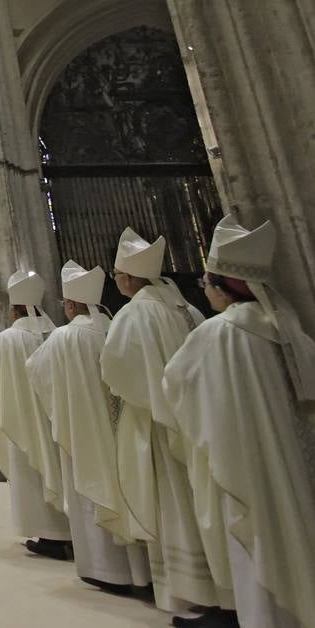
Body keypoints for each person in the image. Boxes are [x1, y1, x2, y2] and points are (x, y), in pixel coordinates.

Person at [163, 216, 315, 628]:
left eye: (207, 283)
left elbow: (177, 383)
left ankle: (255, 616)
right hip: (295, 459)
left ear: (224, 286)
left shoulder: (221, 333)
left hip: (244, 455)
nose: (206, 291)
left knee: (250, 533)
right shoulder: (290, 328)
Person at [102, 227, 230, 618]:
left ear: (127, 277)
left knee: (174, 502)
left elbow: (116, 369)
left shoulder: (135, 313)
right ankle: (221, 586)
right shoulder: (187, 309)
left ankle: (189, 589)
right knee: (203, 502)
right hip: (197, 421)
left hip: (157, 422)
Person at [26, 261, 150, 595]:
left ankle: (104, 567)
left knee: (91, 488)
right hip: (124, 428)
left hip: (84, 427)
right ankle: (142, 569)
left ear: (69, 304)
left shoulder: (65, 336)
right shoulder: (115, 327)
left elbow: (35, 372)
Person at [0, 269, 70, 560]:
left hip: (24, 415)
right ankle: (72, 529)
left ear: (15, 310)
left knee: (32, 470)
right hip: (58, 417)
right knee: (62, 467)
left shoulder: (7, 339)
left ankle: (49, 534)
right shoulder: (57, 334)